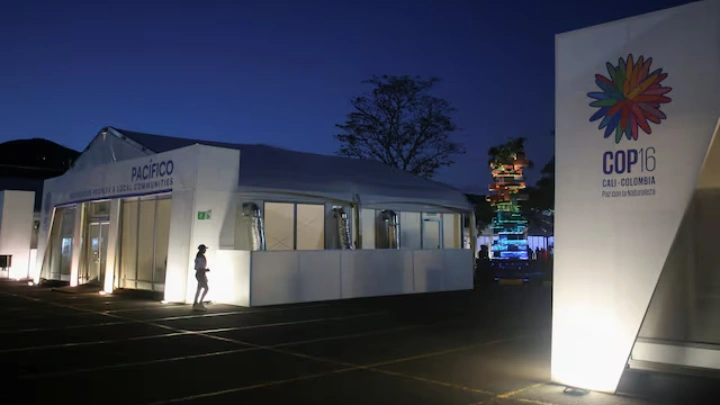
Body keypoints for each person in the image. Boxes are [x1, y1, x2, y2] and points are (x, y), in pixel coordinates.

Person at [193, 244, 210, 311]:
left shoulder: (198, 256)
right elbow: (200, 267)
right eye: (204, 249)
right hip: (201, 274)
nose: (205, 250)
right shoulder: (201, 257)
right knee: (206, 288)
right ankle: (200, 302)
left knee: (199, 288)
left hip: (200, 273)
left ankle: (196, 303)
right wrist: (206, 270)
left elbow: (197, 267)